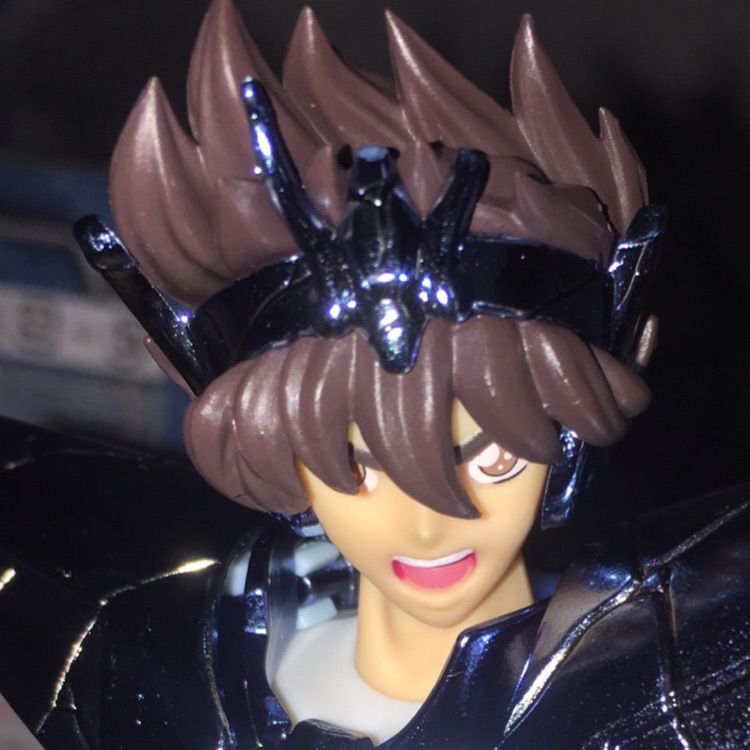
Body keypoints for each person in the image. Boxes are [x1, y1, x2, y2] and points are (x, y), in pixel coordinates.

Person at [1, 1, 748, 748]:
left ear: (568, 441)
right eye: (356, 467)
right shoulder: (168, 665)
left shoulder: (661, 669)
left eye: (493, 457)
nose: (427, 525)